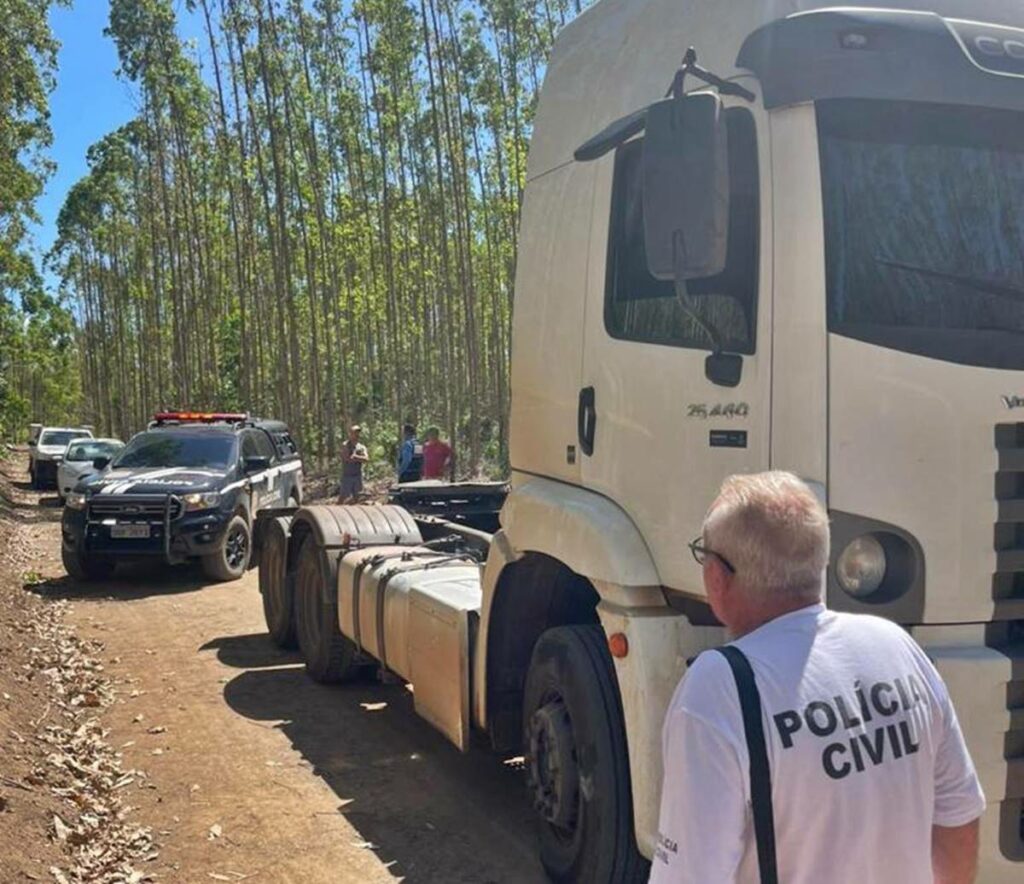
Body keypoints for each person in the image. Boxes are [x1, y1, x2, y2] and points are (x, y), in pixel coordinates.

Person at [651, 471, 984, 884]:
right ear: (820, 563)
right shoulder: (894, 646)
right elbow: (959, 818)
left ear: (718, 576)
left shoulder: (720, 687)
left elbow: (691, 876)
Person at [338, 425, 369, 502]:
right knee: (343, 498)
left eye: (358, 433)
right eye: (355, 433)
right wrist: (358, 458)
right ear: (350, 434)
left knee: (359, 498)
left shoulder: (361, 447)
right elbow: (346, 458)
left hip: (358, 476)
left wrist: (356, 457)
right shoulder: (345, 445)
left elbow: (366, 459)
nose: (357, 435)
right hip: (347, 476)